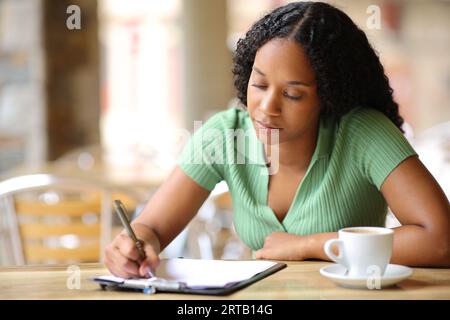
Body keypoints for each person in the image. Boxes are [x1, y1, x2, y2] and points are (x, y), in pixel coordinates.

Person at [104, 1, 450, 278]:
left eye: (294, 94)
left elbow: (441, 239)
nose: (267, 108)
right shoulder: (228, 135)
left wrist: (308, 245)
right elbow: (152, 227)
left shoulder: (362, 133)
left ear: (327, 97)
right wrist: (135, 244)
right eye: (260, 84)